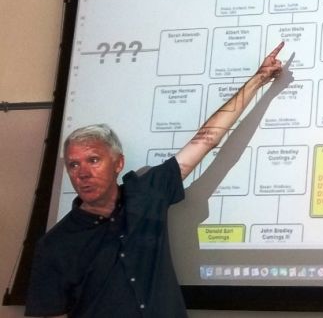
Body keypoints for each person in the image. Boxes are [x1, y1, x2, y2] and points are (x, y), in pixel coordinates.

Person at [25, 42, 285, 318]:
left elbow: (206, 140)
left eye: (93, 160)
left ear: (118, 163)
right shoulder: (55, 245)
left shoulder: (147, 193)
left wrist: (259, 79)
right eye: (74, 164)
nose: (83, 173)